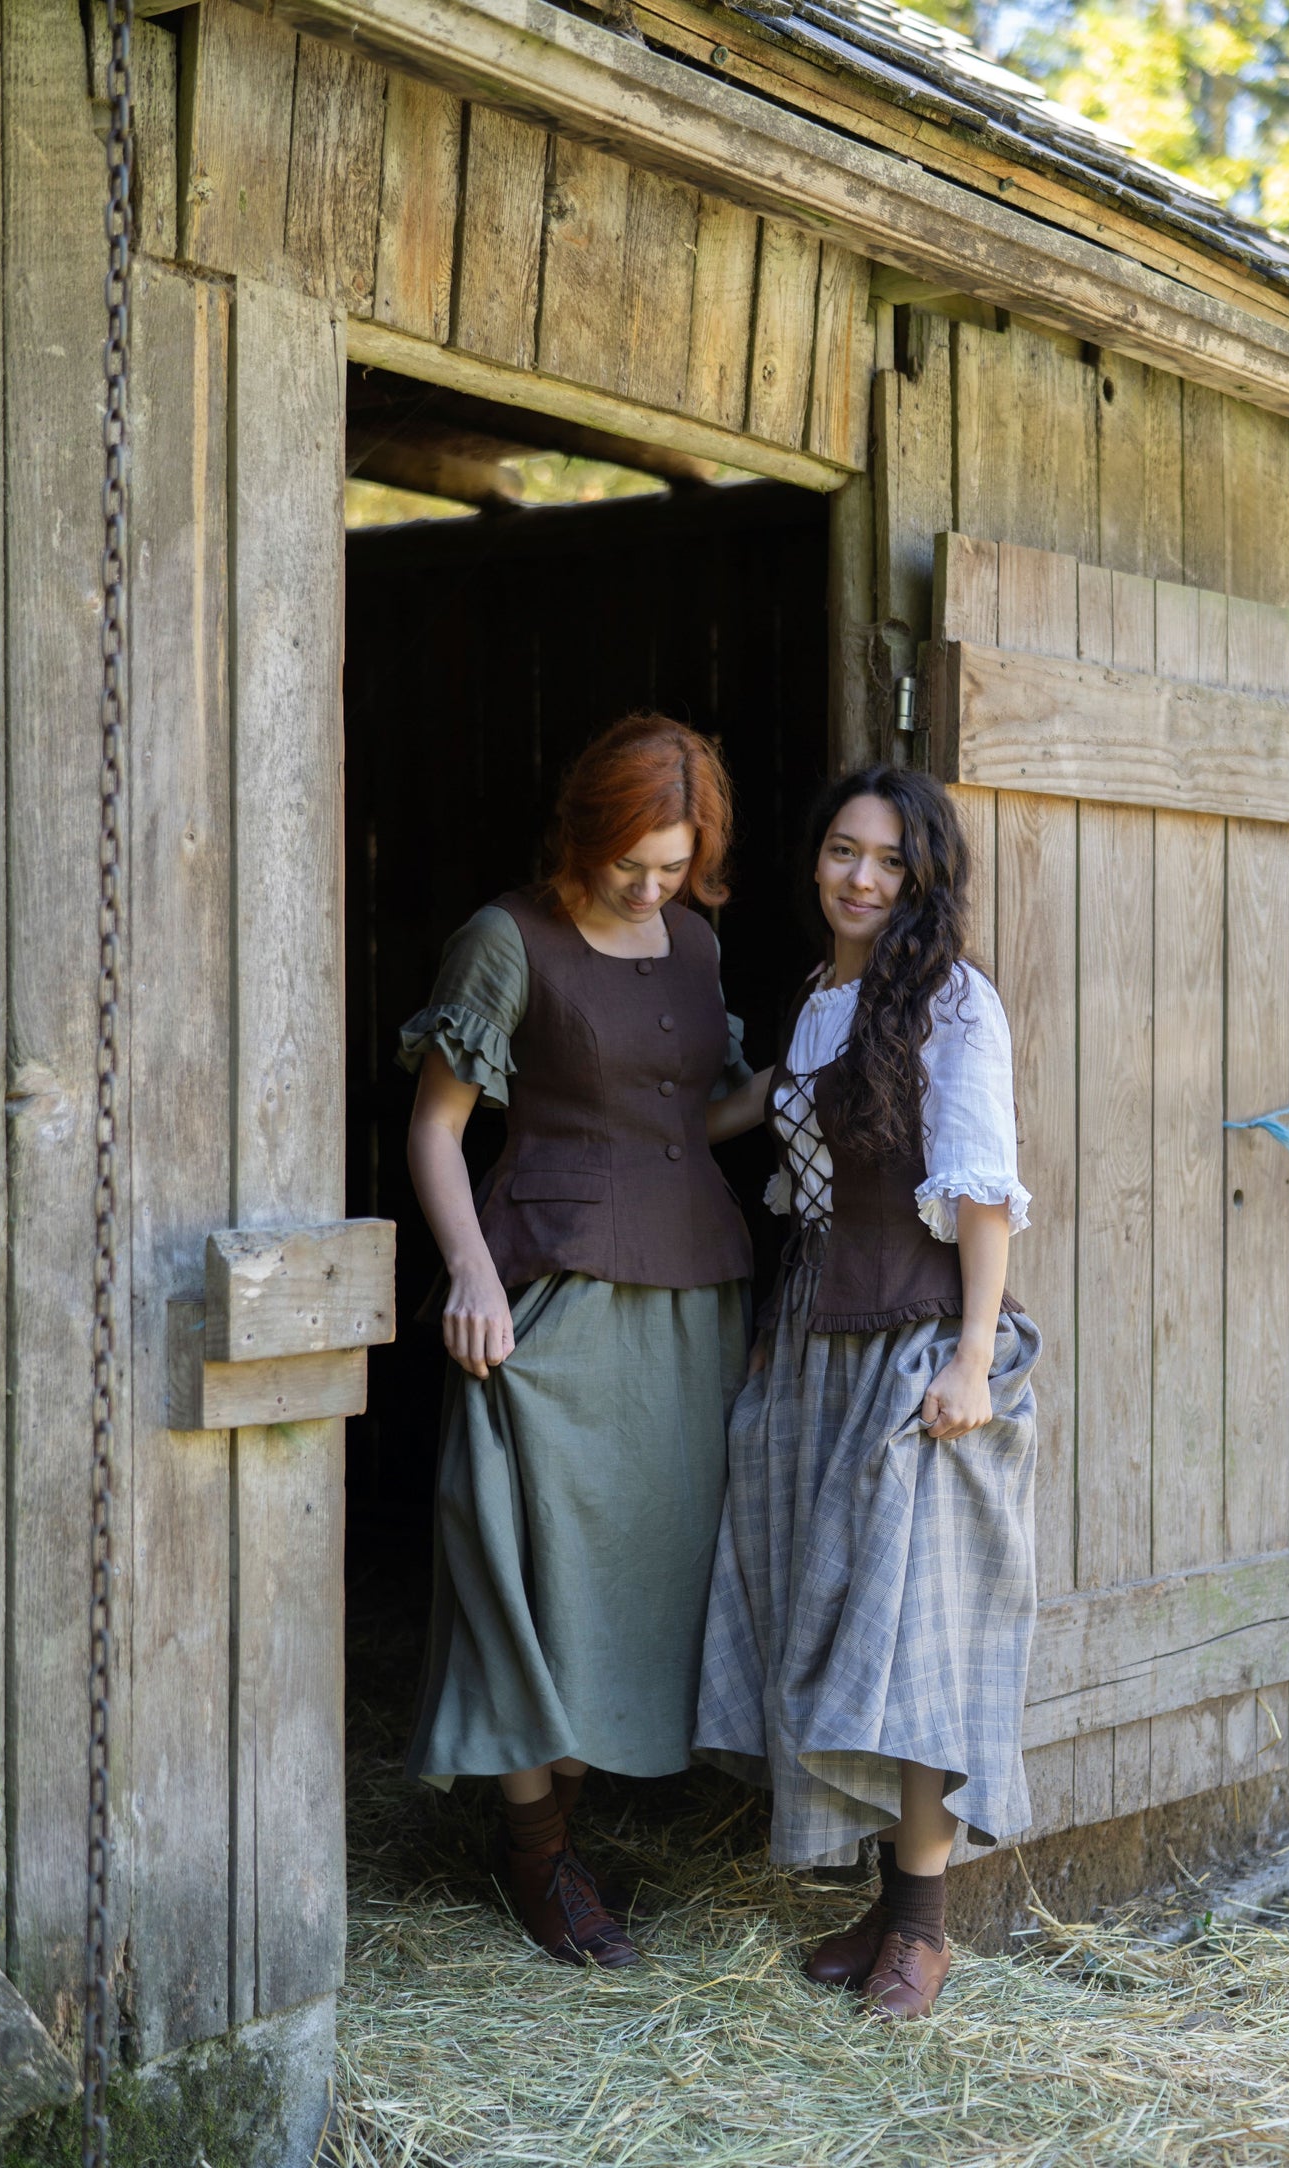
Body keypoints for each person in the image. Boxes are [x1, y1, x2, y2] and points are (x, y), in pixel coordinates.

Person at [399, 713, 753, 1969]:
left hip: (695, 1296)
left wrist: (813, 1064)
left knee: (640, 1584)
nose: (653, 886)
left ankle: (578, 1825)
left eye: (675, 864)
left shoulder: (696, 943)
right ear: (584, 831)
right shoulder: (507, 940)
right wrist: (471, 1274)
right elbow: (436, 1129)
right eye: (633, 864)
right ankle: (536, 1850)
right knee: (524, 1575)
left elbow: (686, 1119)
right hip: (549, 1302)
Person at [697, 763, 1039, 2020]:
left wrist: (969, 1355)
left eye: (887, 860)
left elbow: (982, 1189)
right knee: (838, 1621)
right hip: (814, 1341)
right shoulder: (817, 998)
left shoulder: (952, 1000)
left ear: (921, 876)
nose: (857, 876)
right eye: (841, 850)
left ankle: (925, 1937)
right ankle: (890, 1908)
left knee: (917, 1641)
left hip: (913, 1342)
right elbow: (767, 1121)